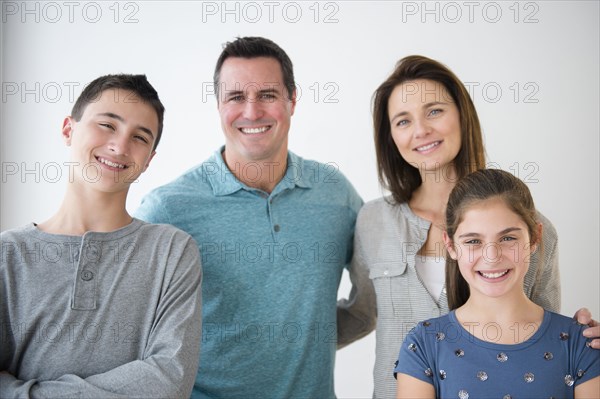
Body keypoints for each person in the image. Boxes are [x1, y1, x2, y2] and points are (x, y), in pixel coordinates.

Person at [135, 36, 376, 398]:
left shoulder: (335, 194)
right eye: (235, 97)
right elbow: (130, 330)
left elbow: (370, 302)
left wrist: (307, 343)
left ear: (292, 100)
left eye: (267, 95)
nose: (251, 112)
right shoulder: (168, 209)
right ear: (218, 106)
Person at [357, 55, 600, 398]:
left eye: (435, 111)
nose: (421, 130)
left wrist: (586, 339)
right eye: (402, 120)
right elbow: (360, 314)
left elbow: (547, 336)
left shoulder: (534, 227)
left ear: (462, 115)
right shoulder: (371, 221)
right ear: (390, 136)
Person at [0, 74, 203, 398]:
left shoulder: (172, 252)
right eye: (108, 125)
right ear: (69, 129)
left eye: (139, 137)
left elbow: (169, 381)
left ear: (148, 160)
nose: (120, 146)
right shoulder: (7, 254)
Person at [394, 168, 600, 398]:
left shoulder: (582, 344)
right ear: (450, 245)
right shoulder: (423, 345)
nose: (492, 256)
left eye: (508, 238)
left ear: (535, 238)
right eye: (473, 241)